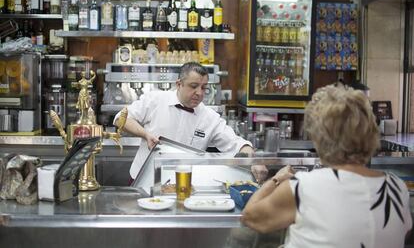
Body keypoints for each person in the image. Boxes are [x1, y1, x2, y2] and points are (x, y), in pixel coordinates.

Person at [241, 84, 412, 248]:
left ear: (319, 136)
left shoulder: (305, 188)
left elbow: (250, 217)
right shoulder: (397, 188)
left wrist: (277, 179)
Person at [113, 62, 268, 183]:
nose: (199, 93)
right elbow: (120, 119)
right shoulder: (155, 100)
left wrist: (255, 160)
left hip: (184, 185)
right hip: (143, 180)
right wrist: (145, 134)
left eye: (204, 88)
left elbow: (237, 143)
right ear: (179, 84)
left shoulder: (209, 118)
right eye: (193, 86)